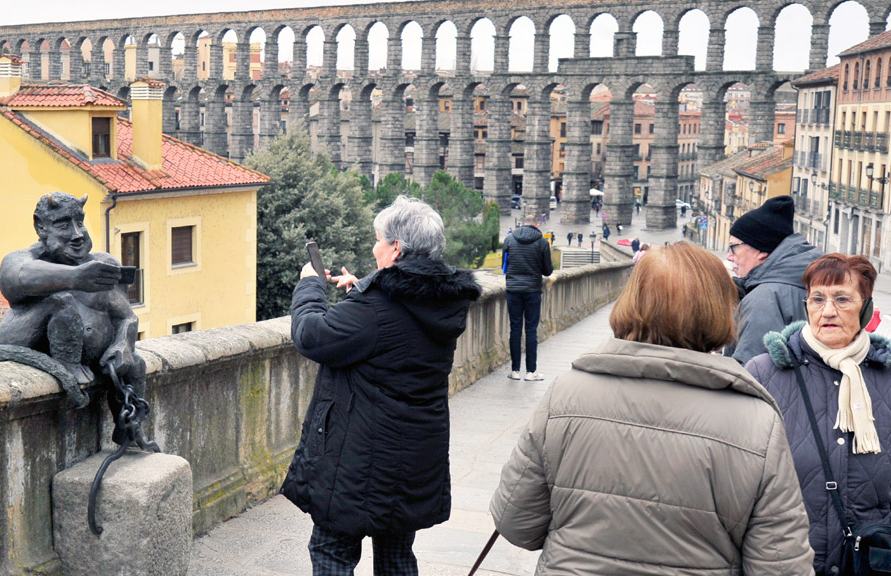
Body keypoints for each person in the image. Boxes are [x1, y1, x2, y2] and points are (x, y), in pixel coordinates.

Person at [490, 242, 814, 574]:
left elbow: (515, 523)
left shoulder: (566, 395)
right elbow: (781, 565)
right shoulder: (757, 423)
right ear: (721, 308)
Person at [281, 196, 482, 575]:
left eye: (377, 239)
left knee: (331, 551)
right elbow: (397, 330)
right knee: (395, 556)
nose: (373, 247)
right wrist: (365, 288)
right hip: (415, 457)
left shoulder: (375, 310)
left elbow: (311, 335)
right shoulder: (440, 302)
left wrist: (310, 286)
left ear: (396, 248)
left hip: (360, 462)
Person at [746, 254, 891, 575]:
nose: (828, 311)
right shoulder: (764, 373)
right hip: (787, 562)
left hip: (868, 562)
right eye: (817, 299)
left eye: (842, 299)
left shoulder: (887, 377)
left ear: (866, 308)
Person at [0, 192, 139, 389]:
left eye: (79, 223)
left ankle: (130, 420)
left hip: (99, 369)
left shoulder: (102, 264)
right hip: (24, 364)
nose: (77, 234)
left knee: (137, 368)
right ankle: (69, 366)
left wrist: (124, 345)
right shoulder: (24, 259)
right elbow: (15, 277)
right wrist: (75, 277)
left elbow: (127, 317)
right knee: (61, 300)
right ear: (41, 227)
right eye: (64, 226)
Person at [726, 195, 823, 364]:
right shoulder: (814, 279)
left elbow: (747, 374)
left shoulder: (763, 299)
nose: (729, 256)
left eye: (733, 247)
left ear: (761, 251)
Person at [502, 213, 554, 381]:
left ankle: (515, 370)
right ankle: (531, 372)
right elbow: (548, 270)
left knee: (515, 329)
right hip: (532, 290)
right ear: (536, 225)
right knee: (531, 330)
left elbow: (504, 266)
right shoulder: (542, 242)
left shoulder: (509, 240)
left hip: (513, 290)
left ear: (521, 224)